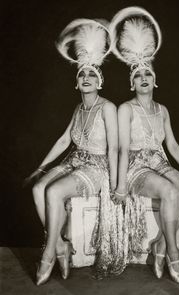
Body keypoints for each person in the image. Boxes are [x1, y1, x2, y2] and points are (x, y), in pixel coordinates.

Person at [110, 7, 179, 284]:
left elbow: (173, 146)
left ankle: (161, 246)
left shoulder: (162, 110)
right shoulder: (125, 109)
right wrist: (119, 185)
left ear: (155, 80)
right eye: (138, 76)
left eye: (148, 75)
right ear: (132, 84)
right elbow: (119, 148)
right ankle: (174, 253)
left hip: (159, 162)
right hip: (134, 167)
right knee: (169, 190)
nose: (144, 78)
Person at [26, 19, 119, 285]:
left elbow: (114, 148)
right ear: (76, 83)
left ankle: (48, 254)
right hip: (75, 161)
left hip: (96, 169)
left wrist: (115, 184)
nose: (86, 78)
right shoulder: (79, 109)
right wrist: (42, 168)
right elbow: (64, 139)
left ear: (99, 82)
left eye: (92, 74)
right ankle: (60, 245)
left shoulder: (108, 107)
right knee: (37, 188)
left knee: (53, 192)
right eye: (82, 74)